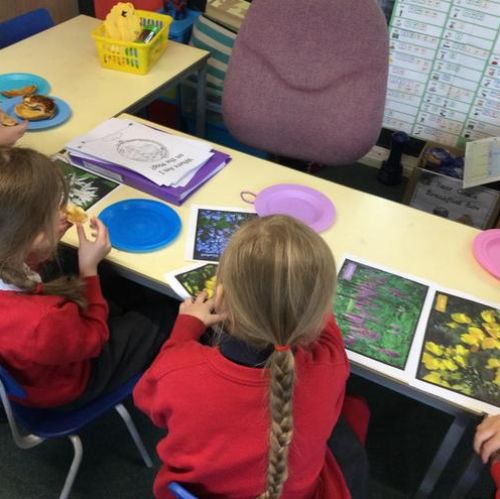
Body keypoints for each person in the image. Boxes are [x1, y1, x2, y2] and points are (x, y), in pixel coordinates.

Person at [134, 215, 364, 499]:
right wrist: (299, 294)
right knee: (355, 417)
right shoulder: (328, 362)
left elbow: (147, 401)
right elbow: (324, 321)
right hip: (302, 492)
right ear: (316, 310)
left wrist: (186, 326)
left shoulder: (179, 371)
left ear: (221, 299)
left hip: (200, 492)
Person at [0, 146, 178, 410]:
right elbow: (95, 338)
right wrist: (89, 269)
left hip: (33, 364)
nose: (62, 211)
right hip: (70, 383)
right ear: (32, 234)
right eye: (54, 209)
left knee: (120, 291)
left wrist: (45, 243)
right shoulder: (42, 320)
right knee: (167, 313)